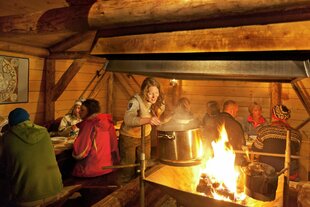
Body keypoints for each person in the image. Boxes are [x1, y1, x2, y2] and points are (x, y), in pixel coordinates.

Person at [1, 108, 63, 206]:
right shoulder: (44, 132)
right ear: (28, 120)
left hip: (27, 198)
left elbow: (3, 163)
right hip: (55, 190)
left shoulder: (7, 137)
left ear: (11, 124)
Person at [119, 77, 165, 183]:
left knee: (144, 165)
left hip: (145, 137)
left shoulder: (159, 101)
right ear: (144, 92)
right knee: (128, 168)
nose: (154, 96)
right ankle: (124, 192)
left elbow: (159, 116)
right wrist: (148, 120)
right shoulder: (135, 101)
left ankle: (140, 189)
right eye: (150, 93)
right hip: (129, 138)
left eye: (156, 93)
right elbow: (128, 119)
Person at [72, 99, 120, 177]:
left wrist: (75, 142)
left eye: (82, 110)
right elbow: (113, 145)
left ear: (89, 112)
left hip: (92, 168)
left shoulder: (89, 124)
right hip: (108, 166)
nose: (79, 112)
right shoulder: (107, 121)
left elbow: (80, 153)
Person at [252, 104, 301, 181]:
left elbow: (255, 149)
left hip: (268, 171)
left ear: (273, 116)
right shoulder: (296, 134)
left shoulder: (265, 131)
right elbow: (297, 151)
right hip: (289, 170)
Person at [218, 100, 246, 165]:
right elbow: (241, 145)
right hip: (231, 161)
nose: (236, 114)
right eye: (236, 112)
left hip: (212, 159)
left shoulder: (212, 121)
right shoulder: (235, 125)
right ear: (232, 111)